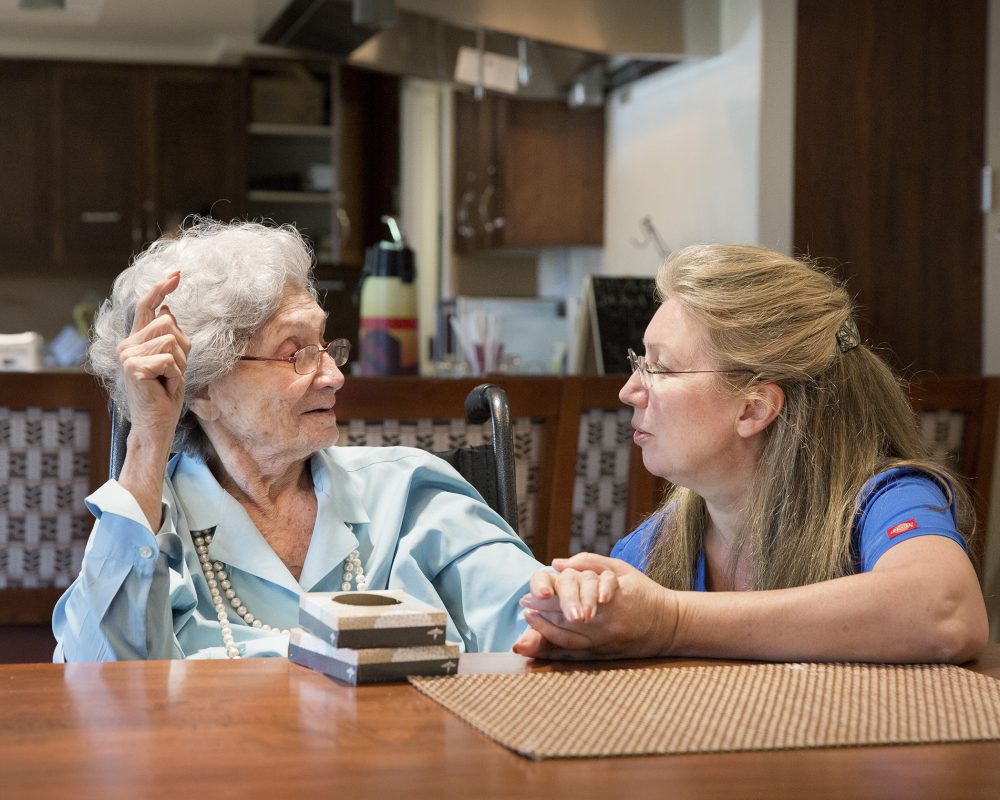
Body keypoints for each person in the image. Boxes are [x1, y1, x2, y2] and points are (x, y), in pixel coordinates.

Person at [53, 219, 541, 661]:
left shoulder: (411, 492)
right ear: (203, 391)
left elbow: (532, 613)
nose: (333, 377)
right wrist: (147, 438)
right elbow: (92, 675)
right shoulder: (156, 529)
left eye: (326, 347)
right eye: (296, 354)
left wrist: (583, 602)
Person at [514, 244, 989, 664]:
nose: (628, 391)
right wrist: (581, 627)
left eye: (659, 367)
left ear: (754, 408)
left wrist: (672, 621)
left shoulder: (885, 500)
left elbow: (946, 612)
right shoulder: (653, 546)